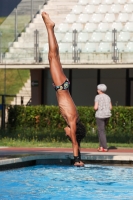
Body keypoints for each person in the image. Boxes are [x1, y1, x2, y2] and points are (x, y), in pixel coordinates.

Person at [41, 12, 86, 166]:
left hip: (63, 86)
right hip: (61, 87)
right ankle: (50, 28)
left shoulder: (74, 120)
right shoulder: (73, 123)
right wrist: (77, 160)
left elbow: (76, 143)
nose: (65, 133)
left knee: (55, 56)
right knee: (52, 56)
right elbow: (74, 143)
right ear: (73, 132)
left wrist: (79, 155)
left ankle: (50, 28)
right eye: (68, 134)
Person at [94, 84, 112, 152]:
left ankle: (105, 147)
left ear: (100, 90)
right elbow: (110, 107)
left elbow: (95, 107)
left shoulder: (97, 97)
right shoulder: (108, 97)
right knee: (101, 130)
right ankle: (101, 147)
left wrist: (97, 108)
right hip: (107, 115)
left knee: (101, 131)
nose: (97, 90)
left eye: (98, 89)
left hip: (100, 115)